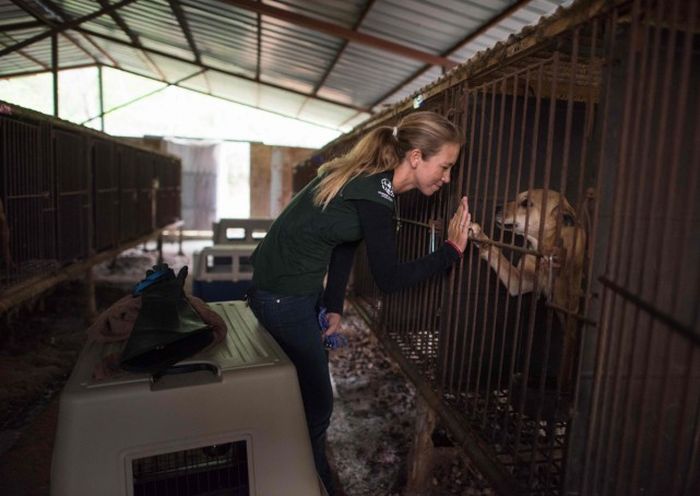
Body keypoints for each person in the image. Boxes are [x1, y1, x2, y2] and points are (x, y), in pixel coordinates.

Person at [246, 110, 472, 495]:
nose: (447, 178)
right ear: (416, 158)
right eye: (445, 166)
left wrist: (333, 305)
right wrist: (450, 251)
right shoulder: (377, 194)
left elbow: (343, 244)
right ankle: (314, 485)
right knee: (316, 410)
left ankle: (299, 474)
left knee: (304, 400)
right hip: (284, 299)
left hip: (283, 293)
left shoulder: (374, 183)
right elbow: (389, 278)